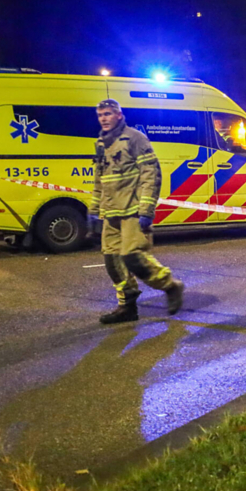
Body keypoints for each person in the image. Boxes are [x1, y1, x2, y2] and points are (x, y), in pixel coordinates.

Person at [89, 99, 183, 324]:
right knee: (112, 261)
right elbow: (99, 180)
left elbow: (151, 174)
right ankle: (127, 307)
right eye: (100, 114)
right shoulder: (100, 143)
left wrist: (146, 210)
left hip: (132, 211)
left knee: (132, 257)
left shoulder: (134, 138)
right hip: (111, 213)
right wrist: (93, 209)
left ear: (119, 116)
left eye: (108, 114)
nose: (103, 118)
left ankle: (170, 286)